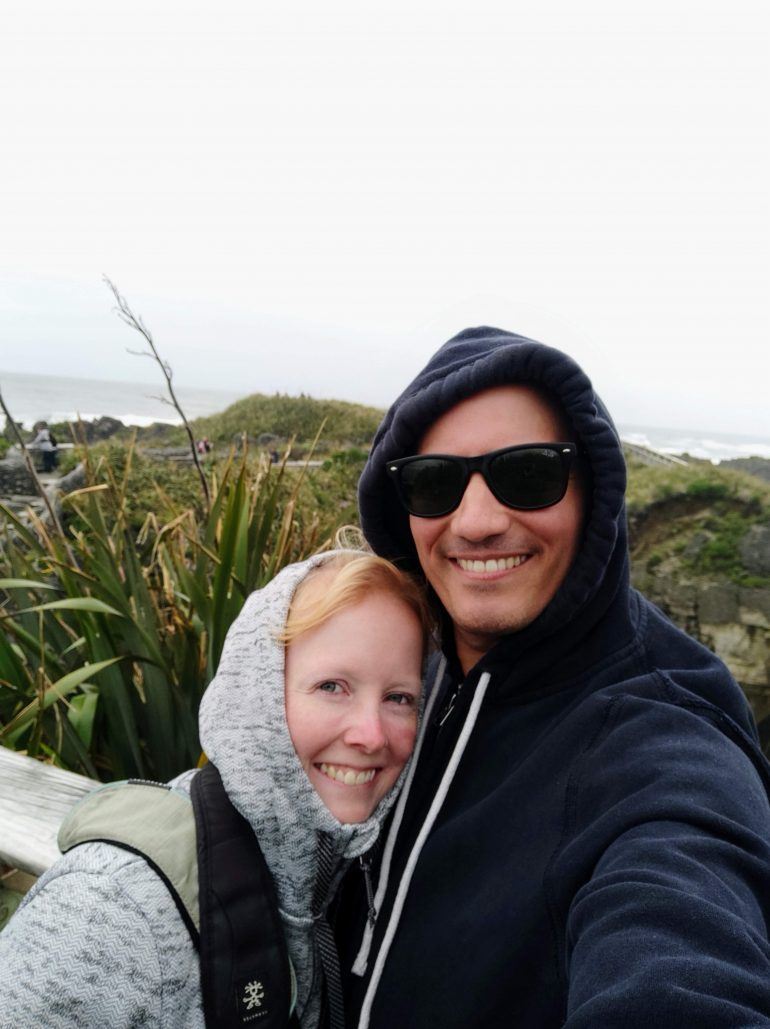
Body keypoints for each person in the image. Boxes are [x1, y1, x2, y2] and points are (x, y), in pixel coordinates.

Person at [337, 327, 770, 1028]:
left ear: (593, 493)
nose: (476, 522)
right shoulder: (396, 666)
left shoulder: (658, 738)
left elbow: (681, 934)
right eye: (434, 482)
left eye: (529, 474)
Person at [0, 549, 431, 1028]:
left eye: (399, 698)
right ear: (256, 690)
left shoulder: (339, 878)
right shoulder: (111, 909)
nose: (371, 735)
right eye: (332, 686)